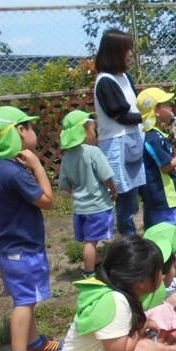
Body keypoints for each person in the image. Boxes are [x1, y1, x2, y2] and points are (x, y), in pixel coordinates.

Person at [0, 106, 62, 351]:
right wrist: (38, 165)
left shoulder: (0, 166)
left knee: (27, 297)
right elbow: (48, 201)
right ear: (19, 131)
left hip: (14, 246)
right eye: (30, 126)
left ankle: (34, 342)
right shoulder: (15, 173)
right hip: (20, 249)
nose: (34, 131)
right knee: (24, 302)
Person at [94, 28, 145, 235]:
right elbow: (121, 115)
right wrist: (146, 117)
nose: (130, 54)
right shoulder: (105, 81)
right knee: (125, 197)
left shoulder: (125, 77)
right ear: (115, 52)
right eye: (127, 50)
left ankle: (133, 238)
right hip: (117, 144)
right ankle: (128, 240)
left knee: (134, 196)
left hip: (132, 140)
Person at [58, 110, 117, 278]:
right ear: (83, 132)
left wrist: (78, 192)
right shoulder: (93, 152)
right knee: (91, 243)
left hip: (80, 209)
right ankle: (90, 274)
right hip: (97, 207)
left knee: (89, 239)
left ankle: (97, 265)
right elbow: (106, 176)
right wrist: (113, 190)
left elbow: (64, 185)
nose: (96, 132)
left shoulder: (67, 157)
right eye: (93, 129)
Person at [136, 87, 176, 229]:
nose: (171, 109)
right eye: (167, 105)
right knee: (172, 232)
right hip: (163, 196)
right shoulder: (154, 138)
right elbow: (165, 167)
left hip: (157, 196)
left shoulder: (154, 135)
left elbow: (159, 161)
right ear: (156, 110)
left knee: (157, 233)